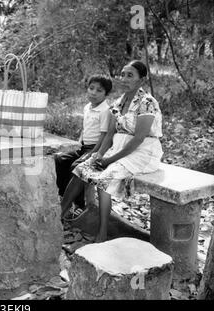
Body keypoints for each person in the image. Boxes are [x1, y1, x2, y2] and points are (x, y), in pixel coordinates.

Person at [61, 60, 163, 242]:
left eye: (130, 75)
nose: (124, 78)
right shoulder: (118, 102)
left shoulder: (147, 102)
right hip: (117, 149)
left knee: (104, 180)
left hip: (142, 153)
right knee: (82, 169)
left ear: (142, 80)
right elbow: (109, 134)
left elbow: (139, 139)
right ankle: (59, 215)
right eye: (122, 74)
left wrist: (109, 160)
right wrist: (98, 155)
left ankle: (102, 232)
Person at [54, 75, 112, 213]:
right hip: (84, 146)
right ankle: (63, 194)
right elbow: (85, 129)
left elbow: (104, 135)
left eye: (99, 90)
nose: (93, 92)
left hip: (96, 147)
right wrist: (78, 143)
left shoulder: (105, 111)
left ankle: (77, 202)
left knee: (77, 167)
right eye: (91, 88)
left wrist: (94, 153)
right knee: (60, 159)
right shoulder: (87, 107)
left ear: (106, 94)